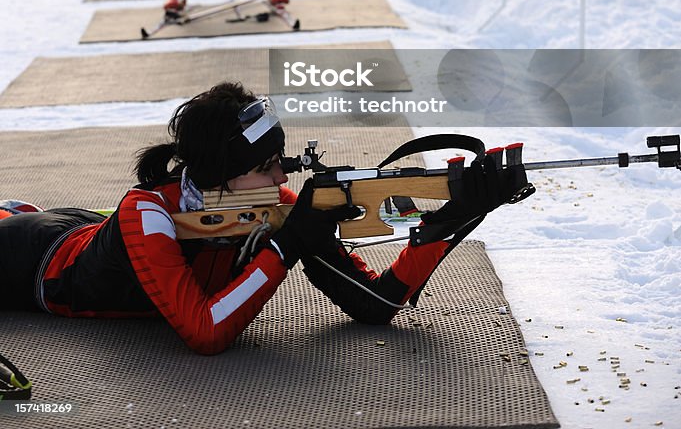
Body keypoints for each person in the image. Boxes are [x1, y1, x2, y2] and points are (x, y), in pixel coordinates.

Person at [0, 83, 532, 355]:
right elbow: (205, 331)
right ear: (223, 177)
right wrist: (283, 249)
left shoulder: (271, 202)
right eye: (266, 166)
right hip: (33, 257)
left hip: (74, 224)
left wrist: (450, 220)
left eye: (281, 161)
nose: (282, 176)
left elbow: (375, 303)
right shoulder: (149, 211)